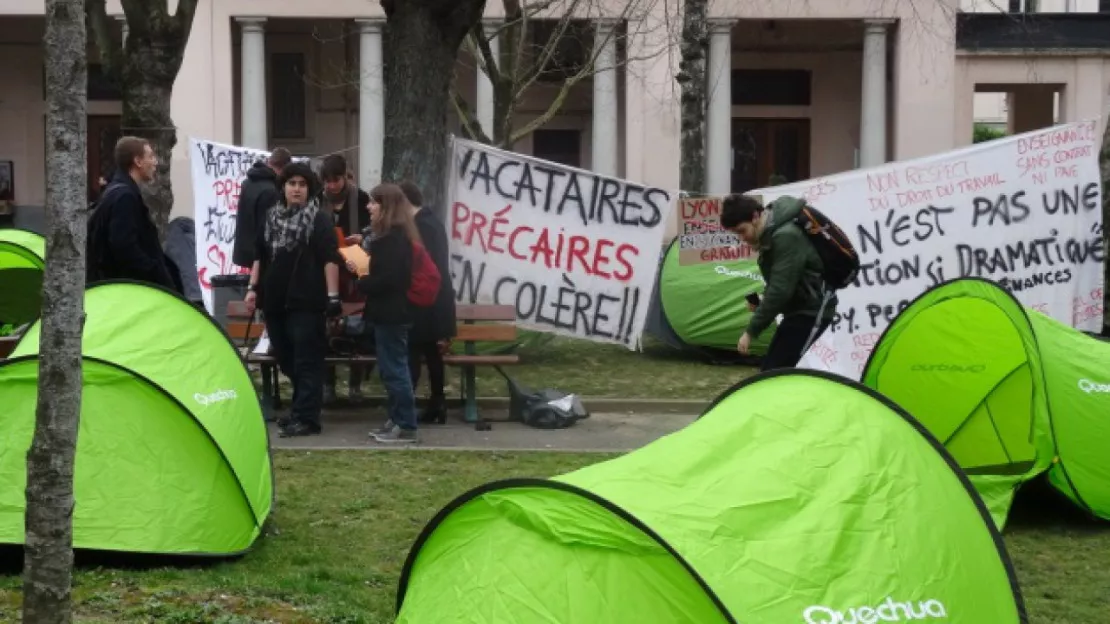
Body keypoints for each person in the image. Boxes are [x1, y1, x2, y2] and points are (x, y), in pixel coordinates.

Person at [244, 162, 344, 437]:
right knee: (286, 358)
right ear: (283, 187)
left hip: (307, 301)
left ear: (309, 189)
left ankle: (307, 418)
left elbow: (330, 259)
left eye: (302, 185)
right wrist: (253, 288)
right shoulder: (270, 217)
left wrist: (333, 297)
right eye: (292, 184)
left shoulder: (319, 219)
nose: (297, 189)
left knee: (307, 360)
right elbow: (259, 256)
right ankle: (301, 410)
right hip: (275, 300)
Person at [720, 193, 837, 371]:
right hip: (799, 311)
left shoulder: (785, 236)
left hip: (813, 312)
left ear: (755, 216)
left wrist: (751, 332)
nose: (741, 238)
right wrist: (762, 302)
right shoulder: (772, 234)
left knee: (774, 372)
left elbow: (780, 290)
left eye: (742, 231)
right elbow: (782, 280)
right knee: (773, 372)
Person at [358, 183, 421, 443]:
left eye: (374, 202)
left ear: (387, 207)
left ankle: (405, 425)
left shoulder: (391, 240)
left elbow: (391, 279)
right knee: (390, 369)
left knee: (395, 370)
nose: (369, 207)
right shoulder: (394, 236)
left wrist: (362, 280)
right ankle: (395, 419)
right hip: (389, 312)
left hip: (391, 313)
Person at [86, 136, 179, 291]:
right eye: (150, 157)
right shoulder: (125, 197)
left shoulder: (116, 192)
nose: (155, 162)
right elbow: (124, 247)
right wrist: (152, 271)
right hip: (128, 290)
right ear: (138, 161)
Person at [399, 180, 456, 424]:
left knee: (416, 350)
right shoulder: (430, 221)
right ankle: (436, 402)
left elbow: (423, 264)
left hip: (427, 297)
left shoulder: (422, 225)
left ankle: (414, 403)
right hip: (436, 297)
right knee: (432, 353)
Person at [318, 153, 371, 401]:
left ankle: (355, 384)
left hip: (356, 268)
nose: (331, 185)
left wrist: (360, 239)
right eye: (327, 181)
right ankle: (328, 382)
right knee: (328, 325)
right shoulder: (318, 200)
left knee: (355, 326)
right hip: (327, 270)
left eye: (335, 180)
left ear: (345, 176)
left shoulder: (361, 199)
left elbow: (372, 228)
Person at [233, 147, 292, 269]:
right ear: (283, 168)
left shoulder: (247, 183)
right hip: (261, 256)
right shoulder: (270, 191)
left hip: (245, 249)